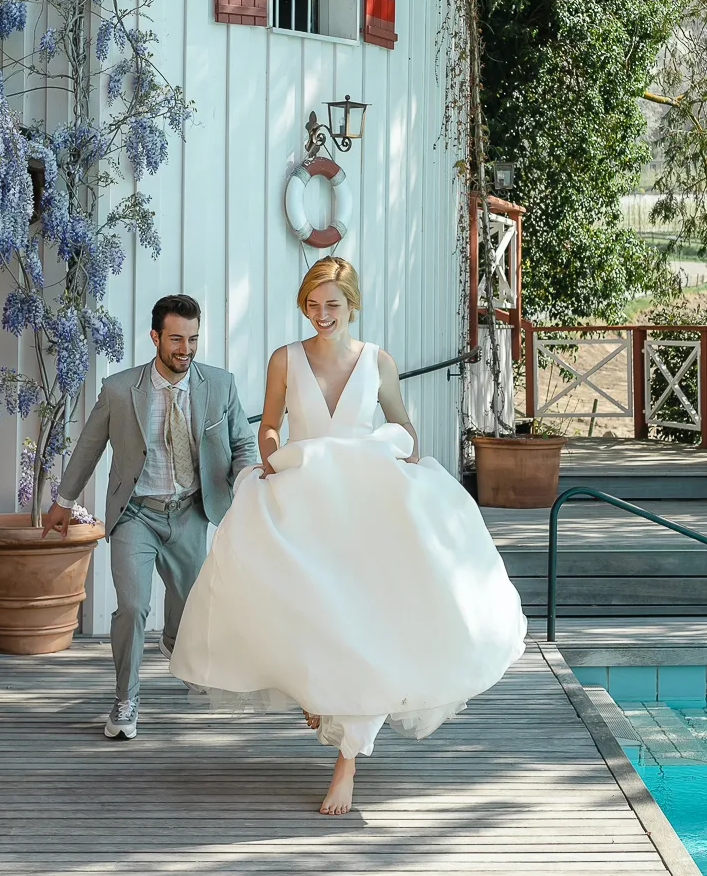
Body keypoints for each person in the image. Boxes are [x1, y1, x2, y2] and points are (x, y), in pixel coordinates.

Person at [170, 257, 528, 815]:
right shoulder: (285, 360)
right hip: (304, 500)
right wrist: (268, 451)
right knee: (303, 613)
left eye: (331, 304)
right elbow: (267, 424)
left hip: (365, 507)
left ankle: (348, 763)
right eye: (312, 305)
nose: (321, 315)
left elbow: (404, 425)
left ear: (351, 304)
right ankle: (315, 697)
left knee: (369, 625)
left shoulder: (378, 362)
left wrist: (402, 444)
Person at [44, 294, 258, 741]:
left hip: (191, 513)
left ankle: (176, 645)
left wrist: (248, 486)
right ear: (155, 337)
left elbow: (243, 444)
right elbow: (88, 446)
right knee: (133, 606)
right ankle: (125, 699)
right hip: (136, 514)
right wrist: (63, 500)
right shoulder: (121, 390)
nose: (186, 348)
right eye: (176, 338)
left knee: (190, 607)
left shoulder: (219, 385)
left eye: (193, 339)